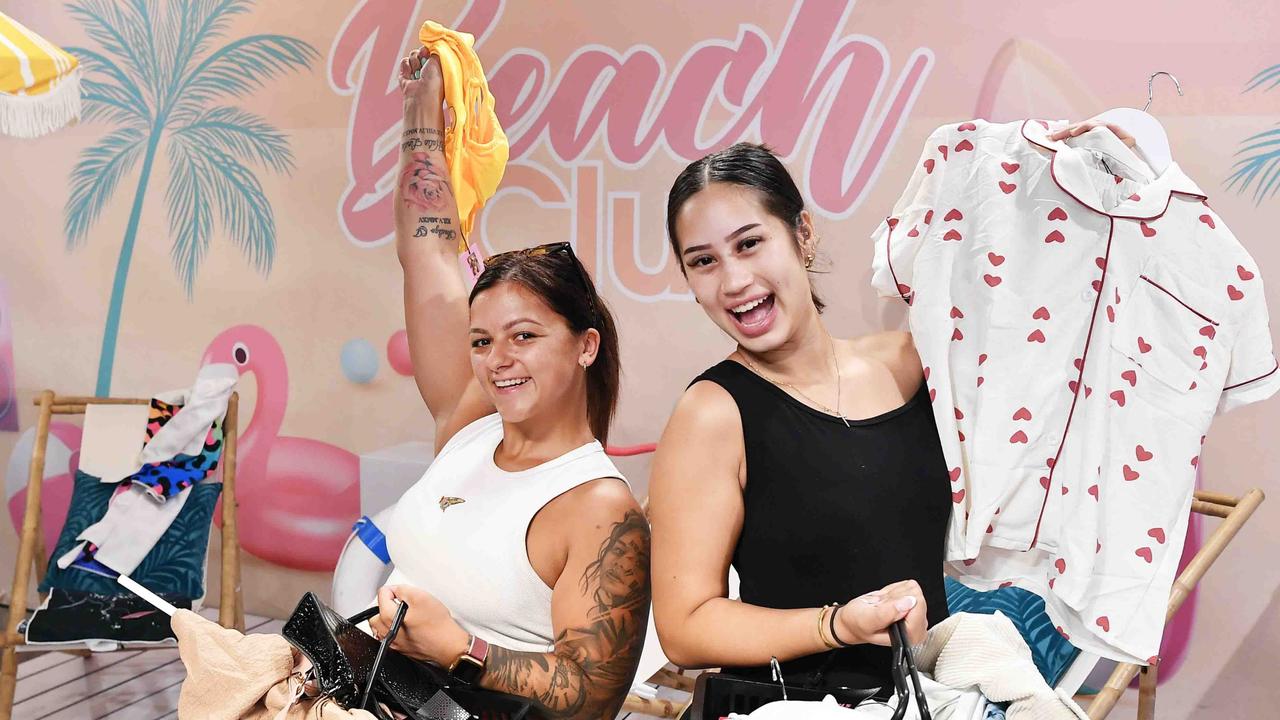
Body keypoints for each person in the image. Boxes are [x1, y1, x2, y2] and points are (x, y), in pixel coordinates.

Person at [648, 118, 1134, 699]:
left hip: (927, 696)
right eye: (703, 261)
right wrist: (836, 624)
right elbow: (686, 627)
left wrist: (1090, 181)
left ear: (803, 234)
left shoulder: (911, 363)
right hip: (793, 705)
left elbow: (1041, 314)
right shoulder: (712, 413)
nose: (734, 280)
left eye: (750, 243)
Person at [367, 48, 649, 720]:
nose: (498, 360)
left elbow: (593, 697)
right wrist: (418, 108)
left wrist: (461, 648)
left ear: (585, 346)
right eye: (482, 341)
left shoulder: (599, 507)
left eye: (524, 336)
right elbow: (426, 248)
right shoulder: (470, 424)